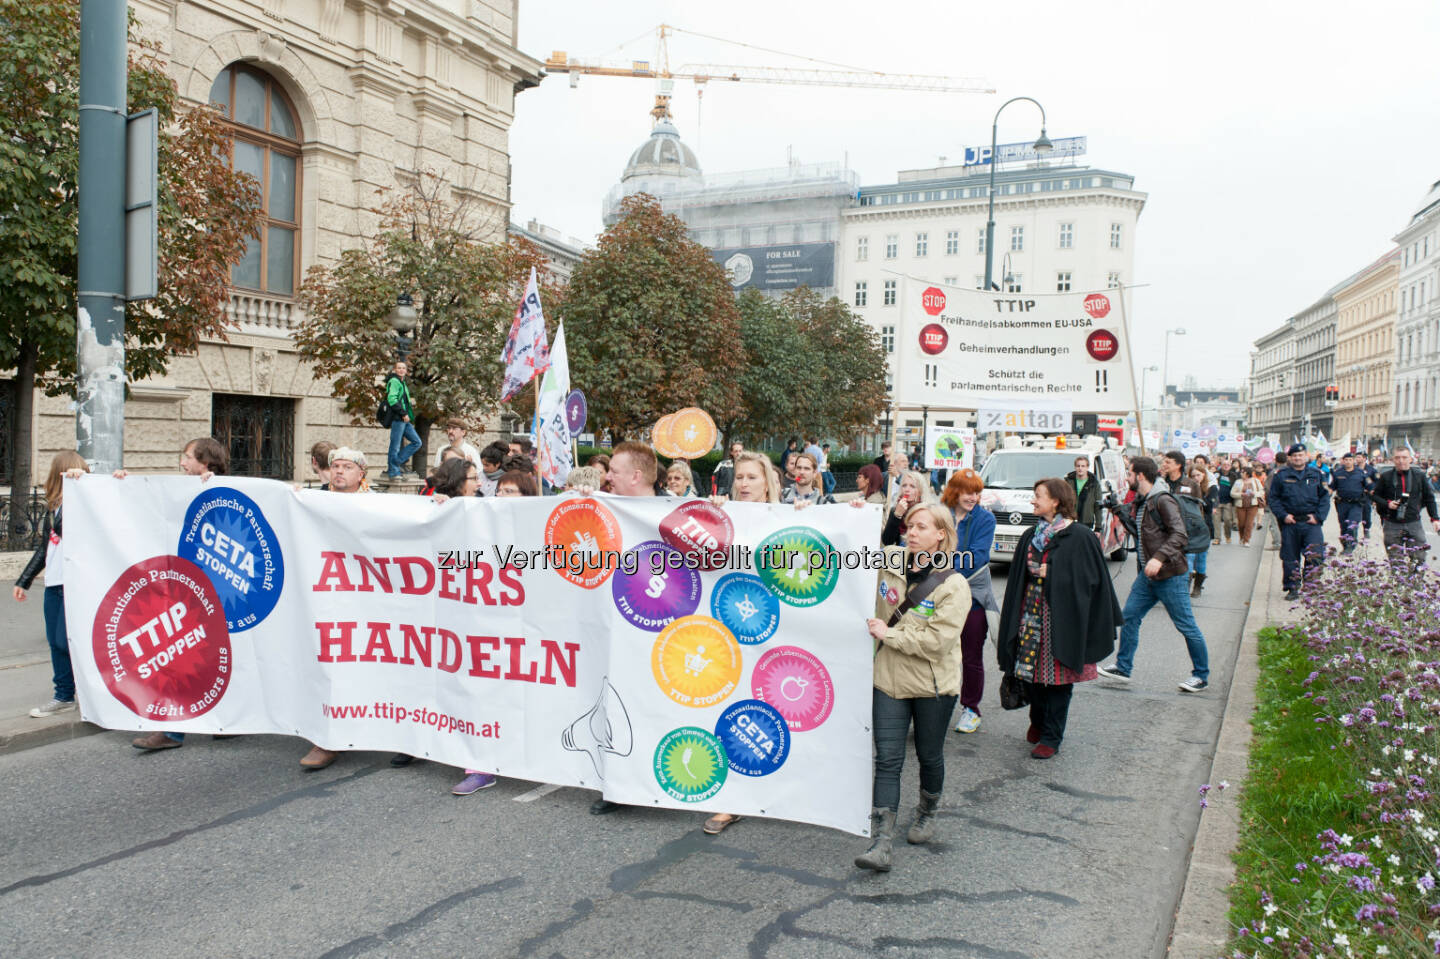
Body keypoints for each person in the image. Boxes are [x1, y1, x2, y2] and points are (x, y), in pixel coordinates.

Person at [856, 503, 970, 871]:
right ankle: (881, 843)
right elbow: (846, 552)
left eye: (922, 527)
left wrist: (890, 634)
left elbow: (937, 642)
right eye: (909, 526)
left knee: (929, 755)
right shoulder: (888, 560)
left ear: (941, 534)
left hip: (933, 686)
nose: (912, 532)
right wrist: (856, 515)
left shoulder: (954, 584)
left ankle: (926, 811)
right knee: (887, 759)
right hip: (888, 680)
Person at [997, 478, 1120, 758]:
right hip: (1030, 616)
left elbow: (1092, 580)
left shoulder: (1081, 536)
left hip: (1061, 621)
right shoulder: (1031, 534)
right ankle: (1038, 721)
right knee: (1031, 675)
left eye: (1038, 495)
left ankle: (1052, 737)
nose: (1033, 500)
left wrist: (1051, 573)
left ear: (1055, 501)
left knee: (1058, 681)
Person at [700, 450, 785, 837]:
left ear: (767, 482)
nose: (745, 483)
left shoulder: (788, 517)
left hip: (777, 631)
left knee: (772, 709)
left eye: (753, 477)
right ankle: (731, 797)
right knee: (733, 708)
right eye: (740, 478)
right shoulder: (723, 517)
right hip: (731, 628)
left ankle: (781, 786)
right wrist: (709, 515)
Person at [128, 437, 229, 751]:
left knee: (221, 661)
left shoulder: (225, 490)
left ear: (206, 463)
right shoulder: (177, 489)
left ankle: (231, 720)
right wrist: (118, 484)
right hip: (184, 590)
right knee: (179, 656)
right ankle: (172, 731)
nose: (182, 462)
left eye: (187, 457)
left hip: (218, 592)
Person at [588, 442, 663, 814]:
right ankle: (617, 787)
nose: (607, 477)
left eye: (614, 471)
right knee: (617, 705)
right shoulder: (604, 508)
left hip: (662, 630)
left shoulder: (677, 513)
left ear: (636, 476)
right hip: (617, 628)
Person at [1098, 456, 1211, 693]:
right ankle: (1123, 666)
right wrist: (1118, 510)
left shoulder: (1162, 500)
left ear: (1140, 476)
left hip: (1171, 574)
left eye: (1129, 473)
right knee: (1129, 616)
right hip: (1148, 576)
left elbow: (1179, 535)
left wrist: (1158, 559)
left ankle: (1201, 676)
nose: (1126, 478)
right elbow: (1141, 533)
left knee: (1186, 625)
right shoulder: (1144, 501)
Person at [298, 447, 373, 769]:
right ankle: (326, 738)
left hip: (369, 600)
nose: (339, 471)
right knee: (329, 661)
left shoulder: (381, 504)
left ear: (361, 474)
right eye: (335, 466)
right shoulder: (308, 501)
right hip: (325, 597)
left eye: (347, 466)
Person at [15, 451, 90, 719]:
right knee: (55, 643)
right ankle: (64, 696)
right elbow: (46, 548)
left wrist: (81, 485)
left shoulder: (83, 502)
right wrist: (25, 579)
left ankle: (84, 693)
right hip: (54, 583)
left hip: (74, 585)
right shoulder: (54, 507)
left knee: (66, 640)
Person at [941, 468, 999, 734]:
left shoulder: (985, 519)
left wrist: (938, 564)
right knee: (936, 652)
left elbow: (977, 556)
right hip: (937, 595)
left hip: (972, 596)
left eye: (976, 492)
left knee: (971, 655)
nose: (973, 496)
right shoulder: (940, 514)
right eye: (967, 491)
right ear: (955, 491)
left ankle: (971, 709)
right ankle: (935, 706)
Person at [1268, 443, 1330, 601]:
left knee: (1315, 556)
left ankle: (1311, 586)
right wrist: (1283, 516)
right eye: (1294, 456)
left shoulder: (1316, 474)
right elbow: (1273, 499)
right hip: (1291, 522)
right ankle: (1292, 587)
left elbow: (1324, 497)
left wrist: (1318, 517)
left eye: (1300, 455)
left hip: (1311, 522)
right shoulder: (1281, 475)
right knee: (1290, 557)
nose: (1297, 458)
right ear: (1290, 458)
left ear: (1306, 456)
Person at [1370, 447, 1440, 575]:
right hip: (1392, 523)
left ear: (1411, 459)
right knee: (1396, 563)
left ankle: (1416, 587)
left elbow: (1429, 498)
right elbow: (1375, 496)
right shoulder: (1386, 476)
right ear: (1393, 459)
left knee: (1419, 559)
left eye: (1404, 457)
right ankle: (1399, 590)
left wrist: (1435, 519)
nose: (1401, 461)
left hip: (1414, 523)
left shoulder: (1419, 476)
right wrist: (1388, 504)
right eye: (1397, 458)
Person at [383, 361, 422, 478]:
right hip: (398, 418)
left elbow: (405, 401)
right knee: (394, 446)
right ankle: (393, 471)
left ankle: (396, 462)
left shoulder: (402, 382)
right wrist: (403, 413)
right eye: (399, 368)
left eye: (403, 368)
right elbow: (392, 399)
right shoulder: (394, 381)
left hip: (404, 420)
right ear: (395, 370)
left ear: (406, 371)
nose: (401, 370)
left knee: (417, 442)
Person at [1329, 450, 1371, 553]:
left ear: (1353, 461)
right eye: (1346, 460)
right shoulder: (1338, 473)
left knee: (1352, 524)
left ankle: (1350, 546)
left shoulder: (1361, 473)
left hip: (1356, 504)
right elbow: (1331, 488)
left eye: (1350, 460)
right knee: (1343, 526)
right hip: (1342, 504)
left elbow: (1370, 486)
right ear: (1343, 461)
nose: (1348, 462)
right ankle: (1345, 546)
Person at [1186, 466, 1218, 597]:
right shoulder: (1187, 489)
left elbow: (1209, 507)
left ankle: (1198, 586)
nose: (1196, 478)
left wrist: (1199, 491)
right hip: (1190, 527)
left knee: (1201, 558)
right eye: (1193, 476)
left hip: (1204, 527)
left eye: (1198, 475)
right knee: (1188, 557)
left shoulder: (1210, 489)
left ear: (1204, 475)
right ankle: (1185, 586)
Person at [881, 470, 931, 546]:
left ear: (920, 491)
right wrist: (897, 515)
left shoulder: (927, 511)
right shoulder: (896, 509)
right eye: (904, 485)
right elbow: (887, 541)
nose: (907, 490)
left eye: (912, 486)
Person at [1231, 467, 1265, 547]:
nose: (1241, 474)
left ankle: (1247, 540)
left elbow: (1262, 491)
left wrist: (1255, 494)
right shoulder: (1238, 482)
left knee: (1249, 524)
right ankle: (1242, 537)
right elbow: (1232, 493)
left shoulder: (1256, 481)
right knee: (1242, 524)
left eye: (1243, 472)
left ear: (1247, 473)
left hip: (1253, 505)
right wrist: (1241, 495)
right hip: (1241, 505)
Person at [1065, 455, 1099, 528]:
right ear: (1075, 467)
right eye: (1078, 466)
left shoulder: (1094, 483)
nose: (1080, 468)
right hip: (1069, 522)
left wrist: (1098, 528)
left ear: (1087, 467)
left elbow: (1098, 506)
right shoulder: (1067, 482)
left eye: (1083, 466)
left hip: (1087, 523)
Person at [1214, 455, 1240, 545]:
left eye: (1228, 464)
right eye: (1224, 464)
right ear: (1221, 465)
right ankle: (1217, 538)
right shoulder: (1216, 474)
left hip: (1228, 502)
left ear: (1230, 466)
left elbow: (1237, 487)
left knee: (1227, 520)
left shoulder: (1233, 476)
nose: (1226, 466)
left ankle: (1228, 536)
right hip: (1216, 501)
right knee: (1216, 521)